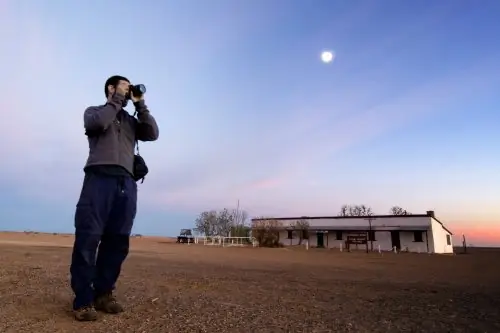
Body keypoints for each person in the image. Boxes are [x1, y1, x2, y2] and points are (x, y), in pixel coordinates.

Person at [70, 75, 159, 321]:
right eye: (123, 85)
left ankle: (103, 294)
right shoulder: (95, 111)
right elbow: (98, 124)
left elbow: (152, 133)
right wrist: (117, 99)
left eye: (129, 87)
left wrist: (140, 104)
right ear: (111, 88)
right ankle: (83, 301)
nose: (128, 89)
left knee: (118, 242)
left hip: (126, 183)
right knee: (88, 240)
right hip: (99, 179)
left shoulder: (131, 121)